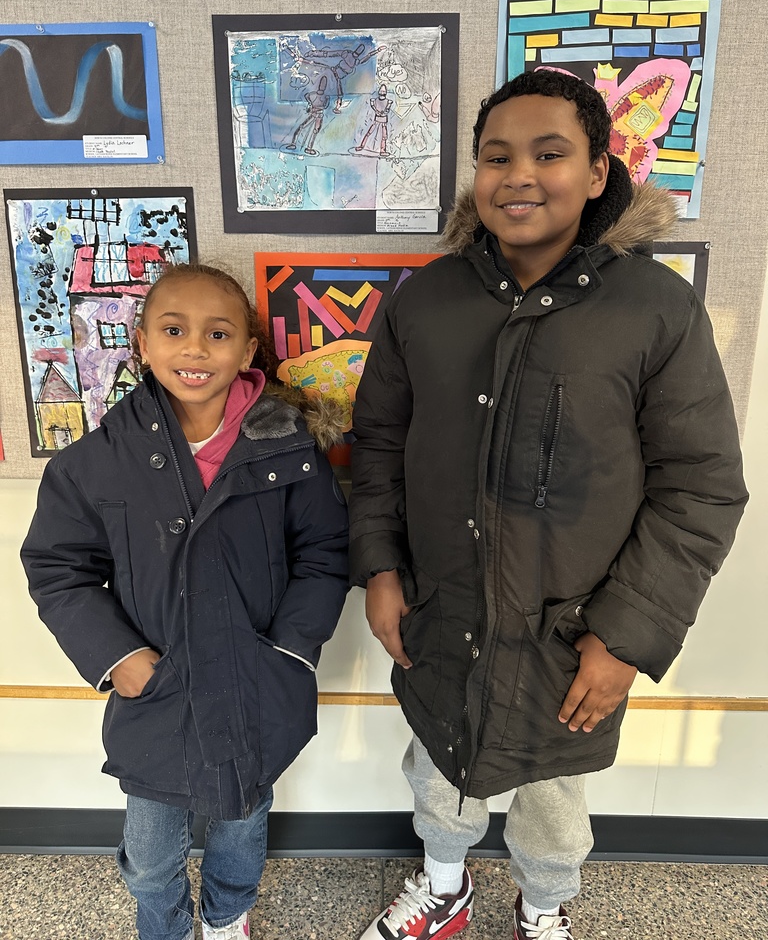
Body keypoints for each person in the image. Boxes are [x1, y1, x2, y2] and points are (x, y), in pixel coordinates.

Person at [349, 70, 747, 940]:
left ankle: (541, 908)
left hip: (571, 636)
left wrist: (627, 636)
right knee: (437, 767)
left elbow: (701, 486)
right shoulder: (427, 300)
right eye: (497, 157)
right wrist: (379, 566)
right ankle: (444, 887)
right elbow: (377, 444)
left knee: (554, 798)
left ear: (599, 171)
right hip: (440, 612)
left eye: (549, 153)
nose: (518, 175)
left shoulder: (656, 308)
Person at [22, 263, 349, 940]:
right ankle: (165, 926)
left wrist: (291, 651)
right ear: (142, 343)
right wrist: (119, 658)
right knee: (148, 859)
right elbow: (58, 568)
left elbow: (323, 554)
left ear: (248, 351)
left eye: (218, 334)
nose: (195, 348)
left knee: (241, 824)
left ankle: (227, 917)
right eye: (174, 330)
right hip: (157, 690)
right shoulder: (96, 461)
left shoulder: (288, 450)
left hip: (255, 682)